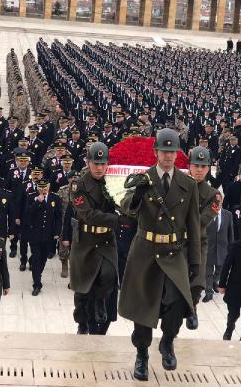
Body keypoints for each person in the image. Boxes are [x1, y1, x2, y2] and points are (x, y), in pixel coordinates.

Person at [119, 129, 203, 380]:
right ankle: (142, 355)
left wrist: (195, 261)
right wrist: (137, 196)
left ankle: (167, 341)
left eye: (172, 151)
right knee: (143, 308)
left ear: (178, 155)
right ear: (155, 152)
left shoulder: (187, 184)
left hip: (173, 252)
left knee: (178, 301)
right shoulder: (143, 179)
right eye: (164, 151)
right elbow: (126, 207)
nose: (168, 156)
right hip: (146, 251)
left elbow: (194, 225)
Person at [70, 142, 128, 334]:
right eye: (96, 163)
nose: (100, 168)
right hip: (85, 240)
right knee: (83, 288)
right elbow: (88, 214)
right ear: (88, 162)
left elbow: (123, 201)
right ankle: (82, 323)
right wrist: (117, 220)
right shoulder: (78, 185)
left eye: (103, 164)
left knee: (109, 275)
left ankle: (101, 303)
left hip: (106, 240)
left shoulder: (112, 182)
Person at [186, 146, 219, 329]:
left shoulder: (213, 195)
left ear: (208, 169)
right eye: (195, 165)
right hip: (175, 239)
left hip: (197, 241)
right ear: (189, 166)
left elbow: (202, 221)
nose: (199, 170)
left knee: (197, 281)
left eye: (203, 166)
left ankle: (192, 308)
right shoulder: (179, 185)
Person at [23, 179, 61, 296]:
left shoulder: (55, 198)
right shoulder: (31, 197)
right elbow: (27, 213)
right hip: (35, 234)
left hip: (48, 235)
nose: (43, 190)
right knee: (36, 258)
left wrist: (57, 232)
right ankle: (37, 284)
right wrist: (37, 202)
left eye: (45, 188)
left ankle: (37, 273)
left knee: (44, 258)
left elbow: (58, 217)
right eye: (41, 188)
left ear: (49, 186)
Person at [203, 195, 233, 303]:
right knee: (208, 271)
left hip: (222, 248)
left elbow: (230, 232)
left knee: (220, 270)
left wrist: (231, 248)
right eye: (214, 201)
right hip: (208, 247)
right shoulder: (206, 214)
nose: (217, 203)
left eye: (219, 201)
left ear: (222, 201)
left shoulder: (228, 214)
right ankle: (208, 292)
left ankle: (215, 282)